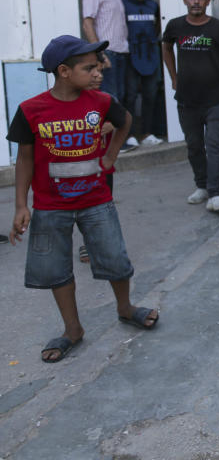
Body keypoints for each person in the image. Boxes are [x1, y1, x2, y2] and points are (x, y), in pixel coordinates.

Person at [7, 35, 159, 363]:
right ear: (63, 71)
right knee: (56, 270)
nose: (98, 72)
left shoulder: (101, 102)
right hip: (50, 207)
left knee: (116, 260)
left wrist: (111, 156)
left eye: (98, 65)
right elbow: (25, 159)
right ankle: (72, 329)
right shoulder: (30, 110)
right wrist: (21, 204)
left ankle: (125, 307)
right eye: (89, 67)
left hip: (96, 200)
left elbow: (125, 121)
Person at [162, 0, 219, 213]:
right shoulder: (175, 26)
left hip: (216, 98)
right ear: (185, 0)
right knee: (194, 146)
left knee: (216, 145)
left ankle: (216, 194)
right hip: (187, 99)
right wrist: (173, 76)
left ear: (208, 1)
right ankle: (201, 186)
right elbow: (166, 47)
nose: (196, 1)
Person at [81, 0, 135, 151]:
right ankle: (110, 143)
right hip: (108, 53)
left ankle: (119, 140)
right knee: (109, 97)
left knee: (120, 96)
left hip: (121, 52)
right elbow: (87, 22)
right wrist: (99, 53)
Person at [121, 0, 163, 148]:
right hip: (131, 55)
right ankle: (129, 134)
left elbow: (158, 25)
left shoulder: (153, 6)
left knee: (150, 95)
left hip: (150, 55)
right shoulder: (123, 5)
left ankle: (147, 132)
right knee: (129, 96)